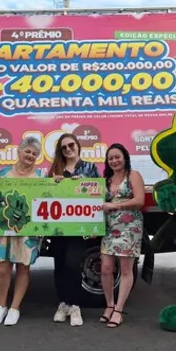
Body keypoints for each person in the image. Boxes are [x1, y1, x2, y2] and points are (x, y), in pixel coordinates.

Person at [0, 136, 46, 326]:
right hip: (3, 228)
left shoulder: (40, 178)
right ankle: (0, 306)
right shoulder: (3, 173)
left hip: (28, 229)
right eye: (27, 151)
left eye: (34, 153)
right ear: (18, 151)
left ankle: (14, 308)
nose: (30, 155)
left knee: (23, 266)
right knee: (2, 267)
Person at [48, 133, 100, 327]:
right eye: (64, 147)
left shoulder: (90, 167)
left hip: (79, 226)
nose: (68, 149)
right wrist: (53, 184)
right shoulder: (55, 169)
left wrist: (82, 185)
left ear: (78, 146)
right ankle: (63, 304)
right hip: (58, 226)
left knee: (73, 263)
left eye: (71, 145)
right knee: (59, 265)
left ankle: (75, 305)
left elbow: (98, 194)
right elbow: (46, 196)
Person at [98, 143, 145, 328]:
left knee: (126, 270)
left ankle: (118, 310)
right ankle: (109, 305)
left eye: (117, 157)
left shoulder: (133, 175)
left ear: (125, 157)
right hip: (109, 228)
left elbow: (139, 200)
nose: (114, 161)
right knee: (105, 269)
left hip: (129, 228)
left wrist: (116, 205)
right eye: (110, 158)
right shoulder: (107, 180)